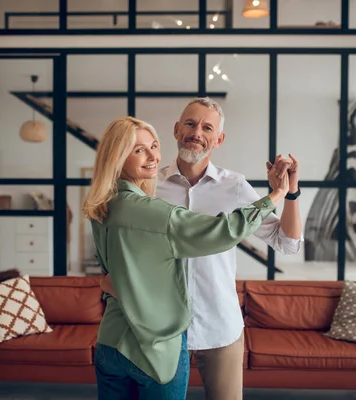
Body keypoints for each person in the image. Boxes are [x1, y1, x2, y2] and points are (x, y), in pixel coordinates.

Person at [102, 98, 302, 400]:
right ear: (176, 129)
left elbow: (286, 243)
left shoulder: (234, 186)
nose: (197, 132)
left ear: (218, 139)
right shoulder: (148, 183)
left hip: (218, 324)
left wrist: (290, 194)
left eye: (207, 127)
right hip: (157, 330)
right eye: (190, 123)